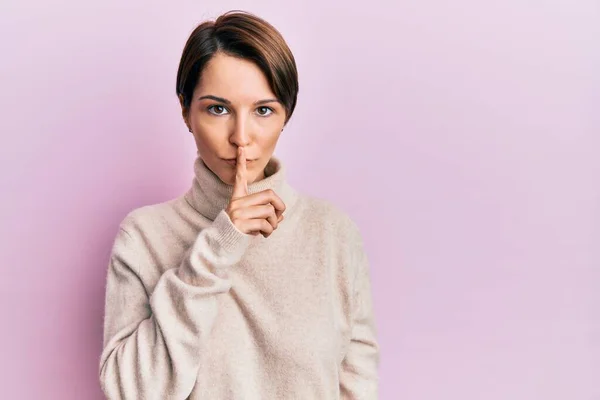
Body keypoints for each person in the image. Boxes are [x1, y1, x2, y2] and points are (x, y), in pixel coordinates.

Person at [98, 10, 380, 400]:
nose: (241, 137)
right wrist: (218, 246)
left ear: (286, 117)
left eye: (263, 110)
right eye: (218, 109)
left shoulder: (332, 232)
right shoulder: (144, 236)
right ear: (185, 111)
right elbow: (130, 391)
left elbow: (358, 385)